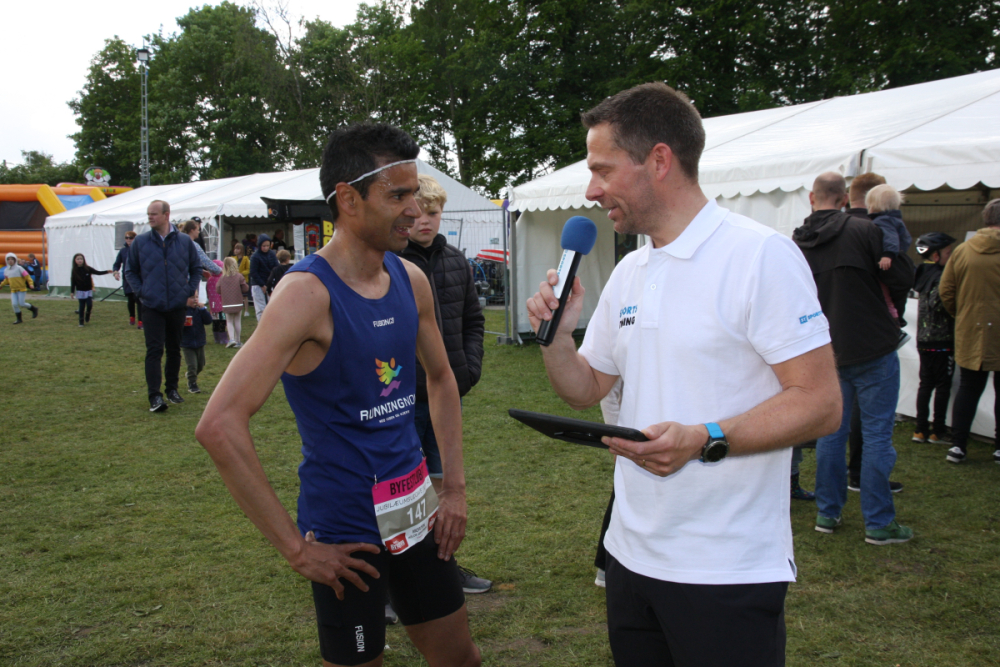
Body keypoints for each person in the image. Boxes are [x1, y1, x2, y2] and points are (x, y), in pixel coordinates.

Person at [526, 83, 841, 666]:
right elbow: (585, 389)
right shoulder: (631, 269)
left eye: (602, 170)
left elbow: (820, 403)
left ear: (659, 160)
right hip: (629, 556)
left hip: (725, 570)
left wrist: (705, 437)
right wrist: (559, 338)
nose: (591, 190)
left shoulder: (759, 256)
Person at [195, 123, 480, 667]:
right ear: (348, 199)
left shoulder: (410, 279)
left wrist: (455, 491)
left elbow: (443, 379)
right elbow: (219, 424)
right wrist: (296, 550)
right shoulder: (306, 295)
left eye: (416, 194)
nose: (414, 210)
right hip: (348, 536)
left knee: (461, 658)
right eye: (398, 196)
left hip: (417, 514)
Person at [794, 172, 913, 545]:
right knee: (876, 434)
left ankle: (828, 512)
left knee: (832, 432)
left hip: (827, 348)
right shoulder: (865, 230)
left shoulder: (795, 243)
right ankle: (878, 522)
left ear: (812, 198)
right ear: (844, 198)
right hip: (872, 344)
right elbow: (902, 276)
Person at [397, 174, 489, 596]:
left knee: (442, 484)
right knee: (398, 489)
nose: (424, 221)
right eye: (417, 214)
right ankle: (395, 582)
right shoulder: (389, 262)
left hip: (446, 397)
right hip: (399, 399)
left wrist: (467, 370)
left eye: (433, 213)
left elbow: (473, 320)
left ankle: (442, 566)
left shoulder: (456, 261)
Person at [124, 200, 202, 413]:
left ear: (166, 215)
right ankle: (155, 396)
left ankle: (172, 389)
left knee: (174, 349)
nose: (150, 217)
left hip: (177, 304)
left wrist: (188, 290)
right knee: (154, 350)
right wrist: (142, 292)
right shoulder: (140, 242)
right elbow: (130, 270)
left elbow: (196, 268)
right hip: (152, 305)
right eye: (148, 214)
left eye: (154, 214)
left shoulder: (184, 241)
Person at [939, 198, 1000, 465]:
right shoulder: (964, 250)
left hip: (970, 328)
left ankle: (958, 445)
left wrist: (962, 314)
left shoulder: (963, 251)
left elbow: (946, 290)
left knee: (967, 388)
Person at [912, 232, 956, 444]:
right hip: (942, 340)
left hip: (924, 340)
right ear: (936, 255)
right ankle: (938, 431)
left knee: (926, 384)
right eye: (948, 253)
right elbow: (937, 304)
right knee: (942, 386)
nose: (952, 256)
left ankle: (920, 429)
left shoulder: (923, 272)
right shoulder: (941, 275)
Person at [868, 184, 915, 325]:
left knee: (884, 291)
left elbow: (891, 238)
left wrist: (887, 254)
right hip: (899, 261)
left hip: (890, 263)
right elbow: (905, 239)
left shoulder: (883, 221)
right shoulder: (896, 220)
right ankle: (897, 315)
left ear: (873, 206)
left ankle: (893, 316)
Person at [70, 253, 112, 327]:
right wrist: (72, 292)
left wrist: (107, 271)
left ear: (83, 260)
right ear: (75, 260)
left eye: (81, 259)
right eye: (78, 259)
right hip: (80, 291)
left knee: (89, 305)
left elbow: (97, 272)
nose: (80, 260)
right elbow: (73, 282)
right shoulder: (74, 270)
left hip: (88, 291)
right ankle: (81, 321)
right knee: (82, 306)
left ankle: (88, 313)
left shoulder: (88, 268)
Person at [216, 256, 249, 348]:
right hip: (238, 302)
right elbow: (245, 288)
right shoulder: (239, 276)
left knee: (229, 321)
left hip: (227, 303)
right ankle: (238, 341)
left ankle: (231, 339)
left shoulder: (222, 278)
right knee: (237, 320)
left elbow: (218, 289)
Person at [181, 301, 213, 394]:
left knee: (200, 365)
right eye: (192, 298)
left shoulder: (199, 310)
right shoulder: (182, 310)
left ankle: (190, 375)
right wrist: (182, 322)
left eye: (196, 297)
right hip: (187, 343)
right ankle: (192, 383)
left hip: (200, 342)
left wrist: (203, 310)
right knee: (192, 365)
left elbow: (208, 321)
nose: (195, 300)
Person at [113, 231, 142, 327]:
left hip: (138, 277)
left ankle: (140, 321)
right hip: (127, 278)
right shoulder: (123, 251)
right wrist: (115, 272)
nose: (128, 240)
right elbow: (117, 264)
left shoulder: (140, 249)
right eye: (126, 238)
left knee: (138, 299)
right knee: (130, 299)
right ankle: (132, 317)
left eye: (131, 238)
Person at [2, 252, 38, 324]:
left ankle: (34, 309)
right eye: (8, 259)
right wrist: (1, 285)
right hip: (13, 290)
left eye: (12, 259)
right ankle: (19, 319)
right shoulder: (6, 270)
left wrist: (31, 284)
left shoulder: (19, 268)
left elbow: (27, 277)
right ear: (6, 260)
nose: (10, 261)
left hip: (22, 289)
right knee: (14, 304)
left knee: (22, 304)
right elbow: (6, 280)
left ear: (15, 260)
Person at [249, 233, 278, 320]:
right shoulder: (255, 256)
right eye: (263, 246)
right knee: (260, 308)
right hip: (257, 284)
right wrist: (262, 285)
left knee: (272, 306)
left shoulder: (272, 254)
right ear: (259, 245)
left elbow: (276, 268)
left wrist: (271, 283)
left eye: (267, 246)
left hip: (269, 283)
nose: (266, 248)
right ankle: (261, 325)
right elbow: (253, 272)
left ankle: (271, 324)